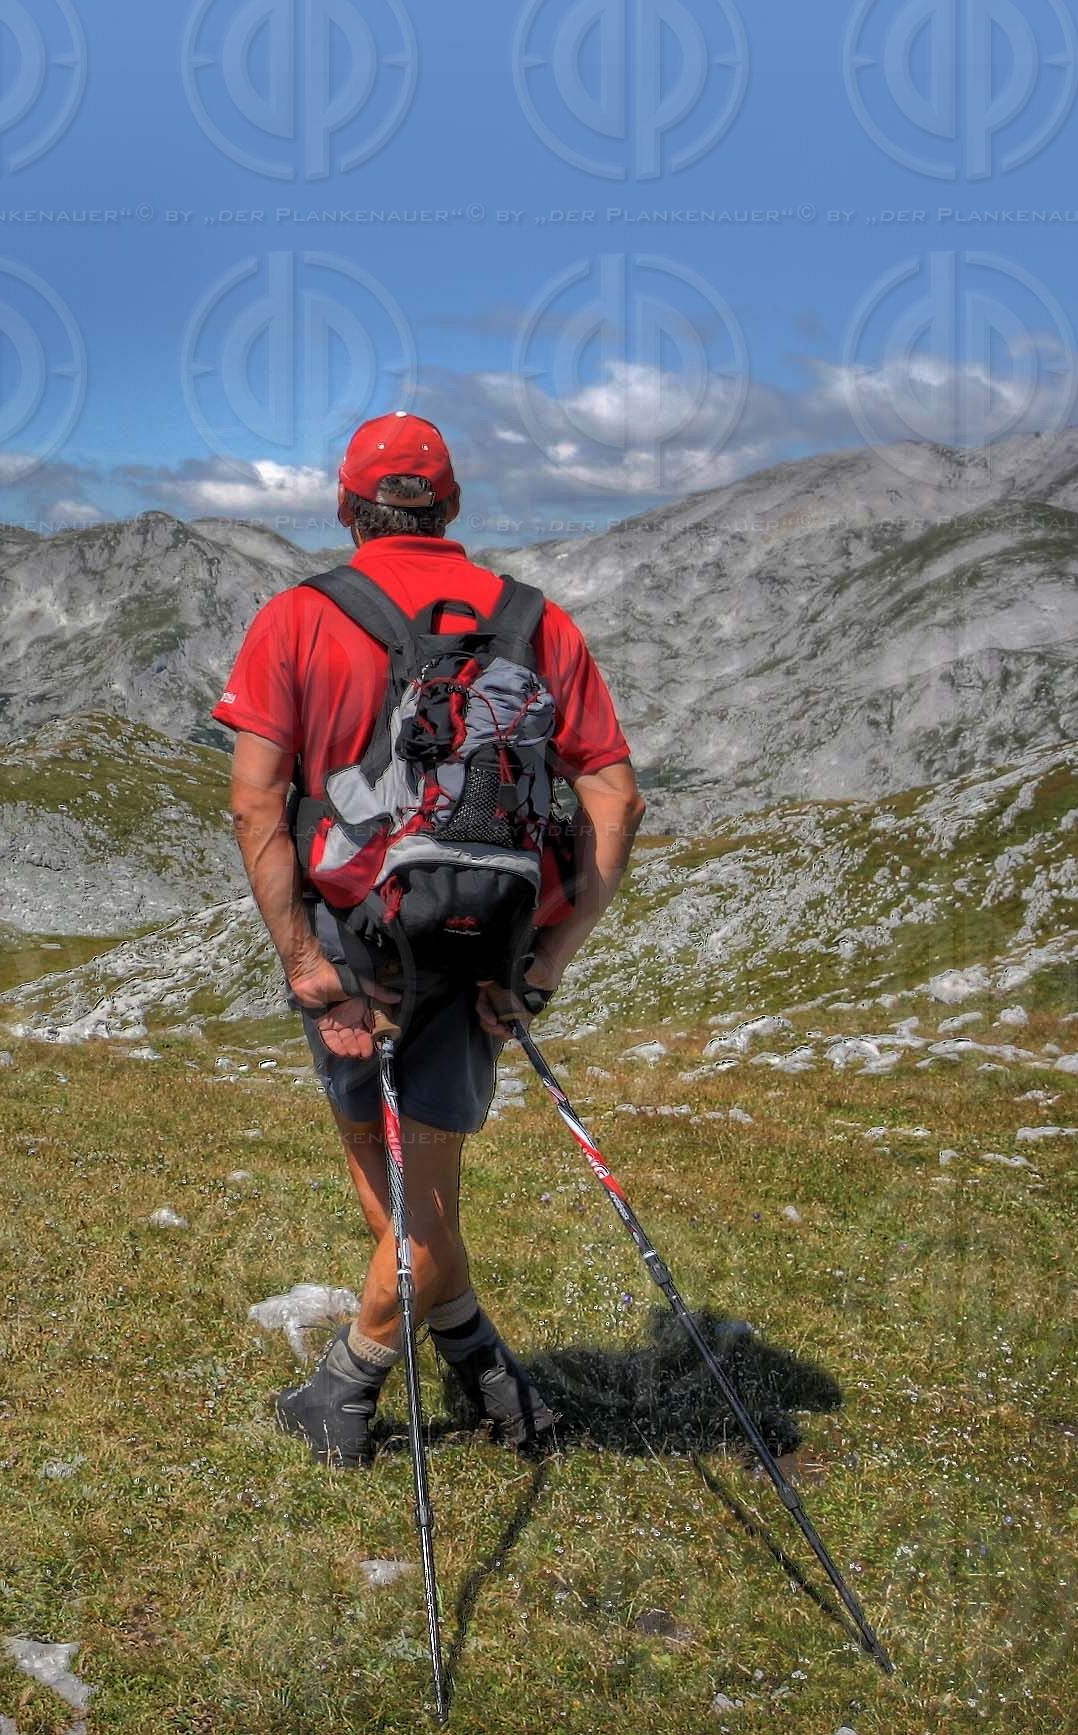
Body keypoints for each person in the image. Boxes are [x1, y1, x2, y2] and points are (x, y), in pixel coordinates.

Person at [214, 412, 647, 1465]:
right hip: (488, 939)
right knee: (425, 1170)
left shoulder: (299, 619)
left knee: (392, 1164)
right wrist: (541, 961)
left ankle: (350, 1384)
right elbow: (617, 799)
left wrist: (307, 963)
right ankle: (492, 1377)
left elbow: (255, 803)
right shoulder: (538, 622)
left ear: (345, 508)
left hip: (360, 942)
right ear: (451, 507)